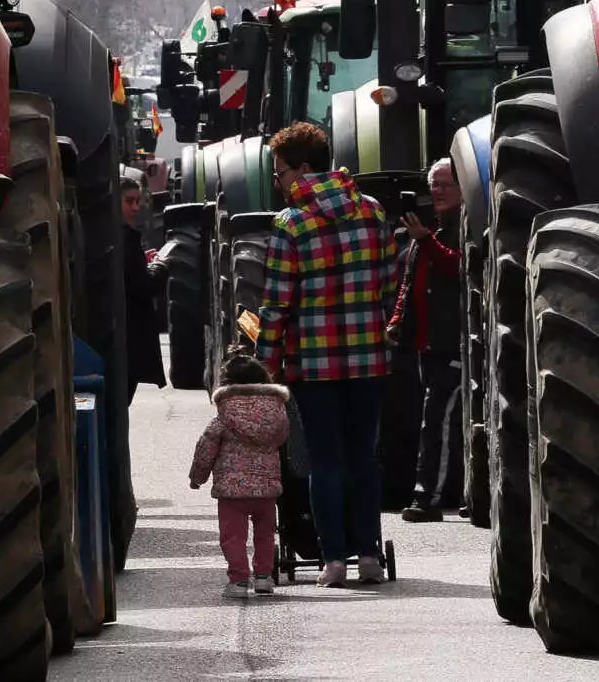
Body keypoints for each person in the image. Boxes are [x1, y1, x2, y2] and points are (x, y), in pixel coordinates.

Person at [258, 120, 395, 587]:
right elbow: (389, 284)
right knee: (363, 457)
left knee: (324, 460)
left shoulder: (290, 224)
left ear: (301, 168)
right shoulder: (374, 213)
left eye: (279, 173)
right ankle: (371, 555)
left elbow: (277, 304)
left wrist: (265, 360)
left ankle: (334, 560)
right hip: (369, 359)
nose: (277, 182)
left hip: (312, 364)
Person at [388, 159, 466, 520]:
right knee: (438, 419)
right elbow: (409, 284)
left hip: (452, 344)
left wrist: (424, 241)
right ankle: (453, 489)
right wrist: (397, 320)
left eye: (446, 185)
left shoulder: (465, 229)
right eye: (433, 184)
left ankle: (428, 498)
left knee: (436, 419)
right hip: (426, 345)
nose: (437, 191)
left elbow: (459, 267)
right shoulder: (428, 233)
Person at [188, 350, 291, 599]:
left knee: (233, 537)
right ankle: (264, 577)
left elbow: (206, 447)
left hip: (232, 490)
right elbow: (283, 438)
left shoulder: (224, 415)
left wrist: (197, 477)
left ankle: (239, 580)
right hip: (266, 489)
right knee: (265, 534)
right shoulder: (277, 411)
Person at [122, 170, 166, 388]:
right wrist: (160, 265)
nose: (135, 208)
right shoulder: (124, 240)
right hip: (128, 339)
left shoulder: (127, 238)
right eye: (129, 201)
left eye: (137, 201)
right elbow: (143, 286)